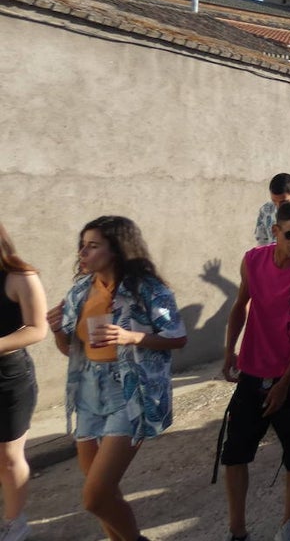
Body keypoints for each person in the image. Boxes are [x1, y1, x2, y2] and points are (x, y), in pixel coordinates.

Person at [47, 216, 187, 541]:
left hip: (129, 390)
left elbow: (177, 338)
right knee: (104, 494)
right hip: (88, 389)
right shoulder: (81, 290)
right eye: (82, 245)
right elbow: (70, 349)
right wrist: (56, 329)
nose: (83, 252)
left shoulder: (148, 290)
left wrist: (131, 337)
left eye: (93, 245)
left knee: (94, 497)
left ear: (116, 250)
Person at [221, 201, 290, 541]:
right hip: (252, 370)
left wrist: (285, 382)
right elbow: (241, 305)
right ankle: (237, 530)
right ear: (276, 232)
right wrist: (229, 351)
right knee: (234, 453)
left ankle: (287, 524)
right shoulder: (253, 260)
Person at [0, 225, 47, 541]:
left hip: (9, 379)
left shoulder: (21, 277)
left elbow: (36, 329)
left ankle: (14, 523)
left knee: (8, 455)